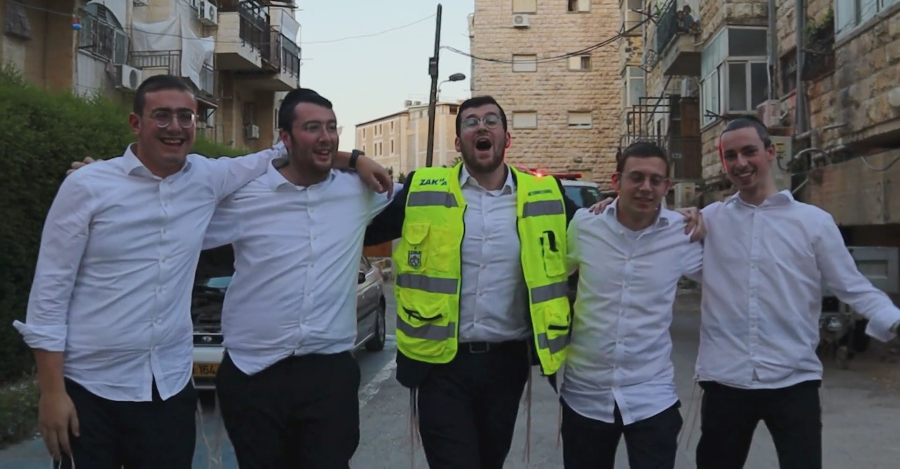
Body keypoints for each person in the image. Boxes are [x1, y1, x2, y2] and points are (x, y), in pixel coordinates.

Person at [15, 75, 390, 468]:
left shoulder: (208, 178)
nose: (175, 127)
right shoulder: (87, 187)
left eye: (186, 117)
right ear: (136, 123)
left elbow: (288, 150)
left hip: (169, 386)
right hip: (90, 388)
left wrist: (356, 159)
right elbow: (49, 297)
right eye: (162, 116)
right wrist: (52, 393)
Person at [365, 96, 701, 468]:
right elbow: (358, 229)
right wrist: (353, 161)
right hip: (440, 365)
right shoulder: (422, 190)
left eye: (491, 120)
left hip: (506, 365)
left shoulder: (547, 195)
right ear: (458, 142)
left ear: (506, 138)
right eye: (471, 121)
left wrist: (671, 216)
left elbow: (604, 228)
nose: (482, 126)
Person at [199, 88, 397, 468]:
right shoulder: (245, 195)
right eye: (312, 128)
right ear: (285, 138)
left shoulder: (359, 192)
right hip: (254, 374)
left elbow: (433, 200)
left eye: (332, 127)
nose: (326, 136)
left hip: (328, 375)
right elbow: (169, 215)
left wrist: (356, 160)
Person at [691, 118, 900, 468]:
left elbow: (851, 285)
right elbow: (653, 235)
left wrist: (893, 320)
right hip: (725, 380)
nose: (740, 163)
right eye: (731, 156)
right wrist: (606, 211)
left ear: (770, 152)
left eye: (749, 151)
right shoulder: (710, 220)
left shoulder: (813, 221)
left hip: (793, 379)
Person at [561, 141, 703, 469]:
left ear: (667, 186)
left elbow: (728, 276)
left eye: (655, 180)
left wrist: (706, 219)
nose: (645, 187)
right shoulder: (584, 226)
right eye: (636, 178)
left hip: (651, 396)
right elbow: (546, 275)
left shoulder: (681, 234)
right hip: (586, 395)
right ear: (617, 181)